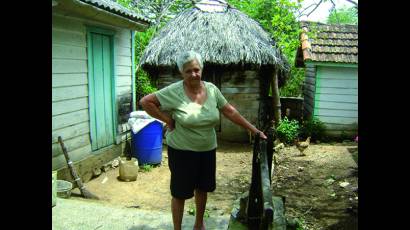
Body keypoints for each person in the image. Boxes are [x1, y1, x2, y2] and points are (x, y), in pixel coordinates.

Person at [139, 51, 267, 230]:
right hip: (182, 151)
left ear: (202, 70)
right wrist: (168, 120)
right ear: (181, 73)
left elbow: (229, 111)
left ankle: (199, 224)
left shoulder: (212, 89)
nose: (193, 74)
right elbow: (146, 102)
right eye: (188, 71)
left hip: (207, 149)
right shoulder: (174, 91)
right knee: (180, 193)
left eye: (196, 70)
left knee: (203, 188)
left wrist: (253, 129)